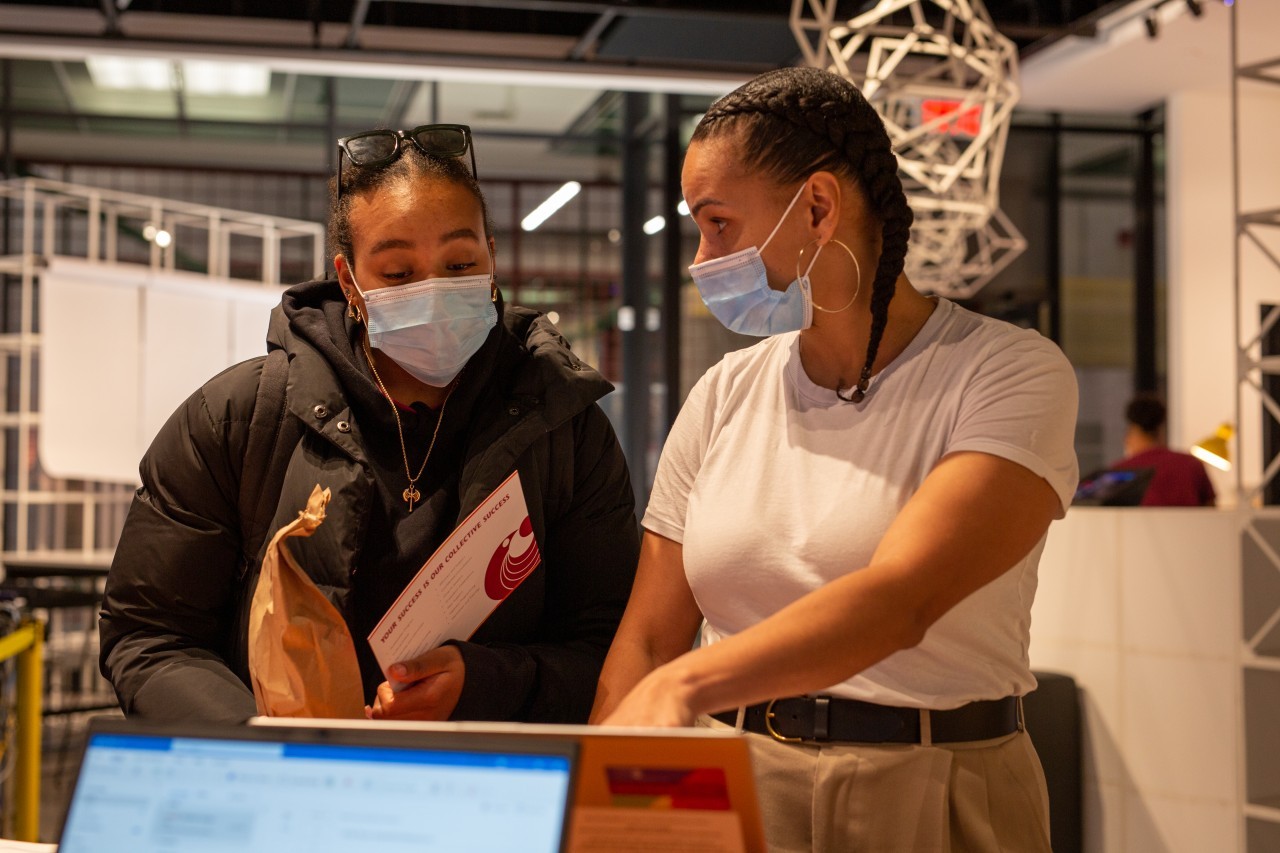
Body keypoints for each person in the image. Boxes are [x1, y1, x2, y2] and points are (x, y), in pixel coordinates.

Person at [590, 67, 1079, 852]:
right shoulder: (724, 393)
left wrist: (683, 684)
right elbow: (648, 636)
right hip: (728, 776)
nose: (700, 258)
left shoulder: (1007, 372)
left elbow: (897, 602)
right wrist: (604, 791)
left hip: (932, 782)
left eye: (717, 225)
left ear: (817, 206)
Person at [100, 124, 640, 725]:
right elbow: (148, 636)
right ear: (349, 279)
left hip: (486, 786)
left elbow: (615, 648)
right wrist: (261, 749)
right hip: (275, 789)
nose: (434, 291)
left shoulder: (564, 427)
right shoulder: (237, 418)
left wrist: (485, 683)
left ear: (491, 256)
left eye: (460, 262)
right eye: (399, 274)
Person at [1112, 394, 1216, 506]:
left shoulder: (1120, 471)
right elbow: (1211, 510)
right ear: (1160, 429)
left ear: (1133, 431)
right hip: (1190, 524)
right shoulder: (1192, 464)